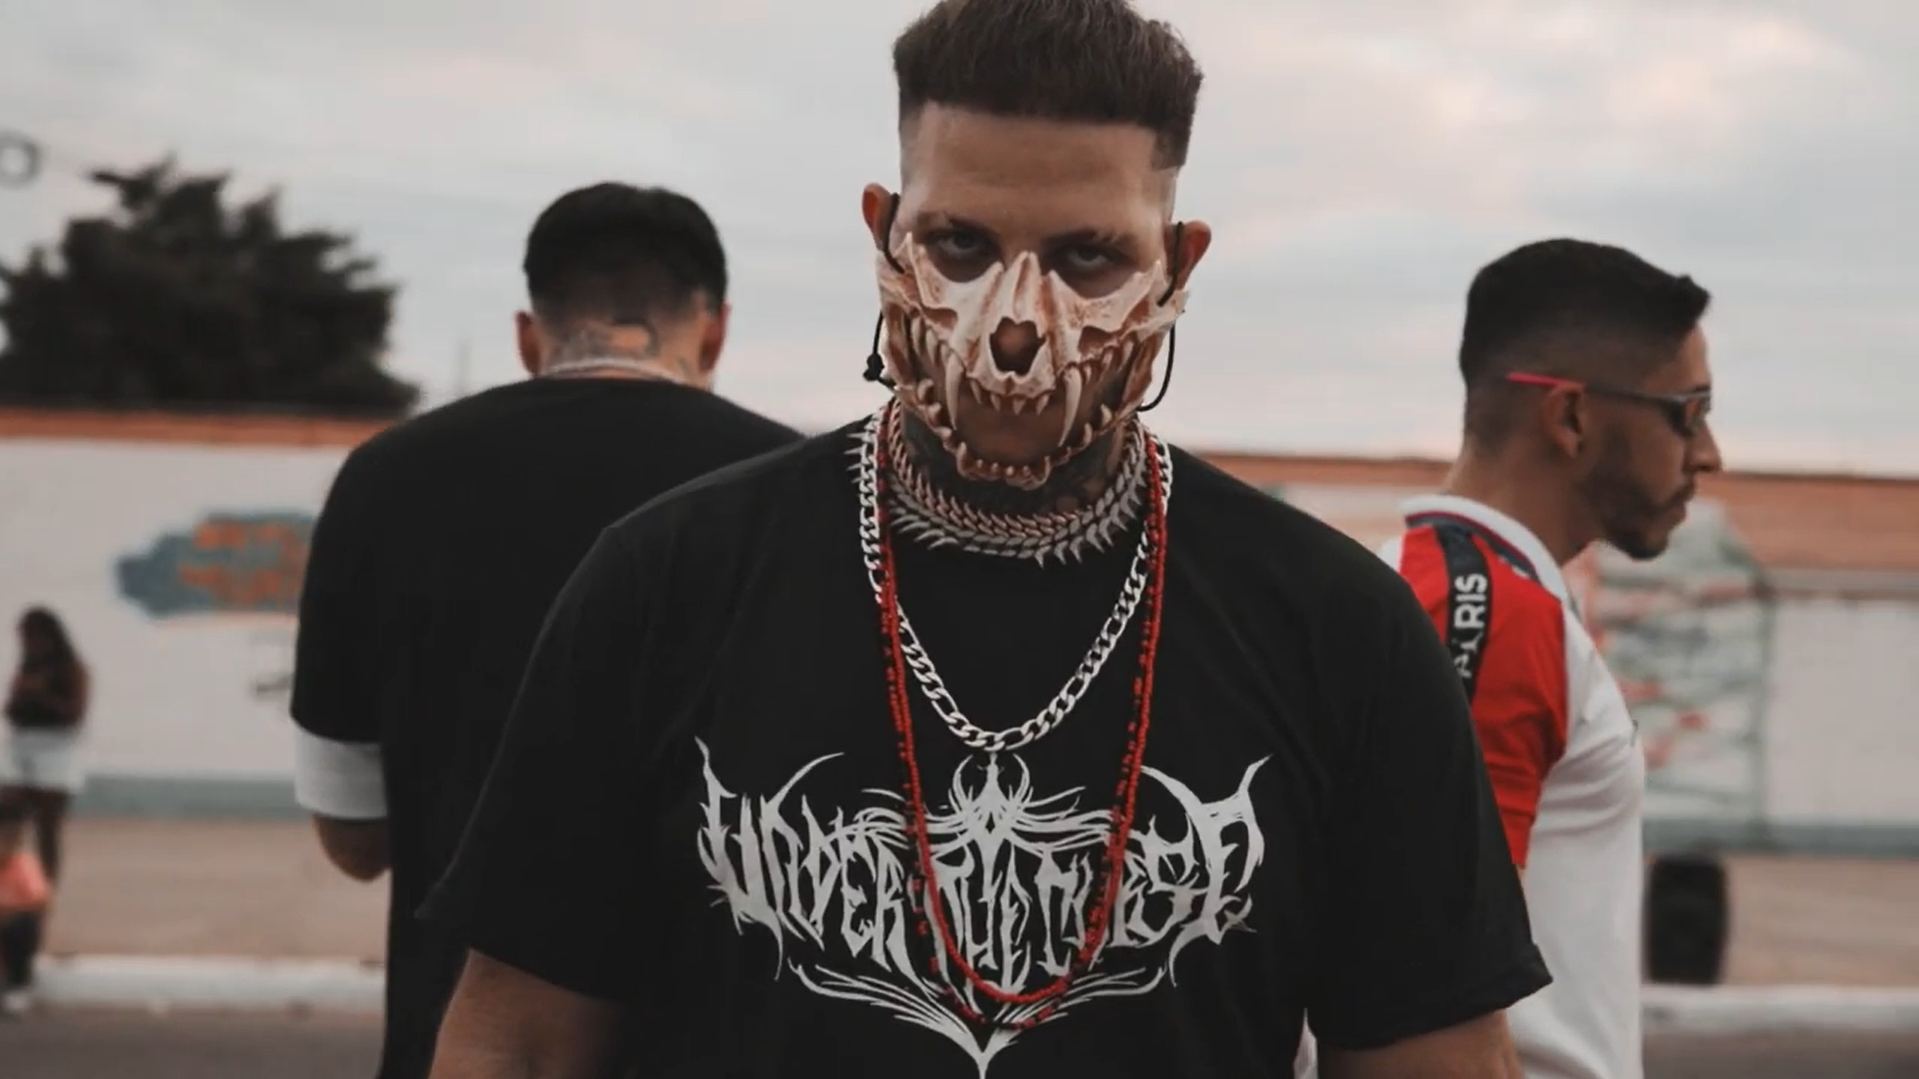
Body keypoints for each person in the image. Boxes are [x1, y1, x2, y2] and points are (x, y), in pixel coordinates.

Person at [423, 2, 1550, 1077]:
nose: (1013, 323)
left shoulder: (1335, 628)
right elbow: (520, 1042)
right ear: (884, 233)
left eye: (1086, 257)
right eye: (958, 244)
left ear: (1178, 264)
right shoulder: (667, 580)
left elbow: (1434, 1058)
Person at [289, 182, 800, 1079]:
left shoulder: (384, 480)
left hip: (461, 1040)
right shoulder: (792, 492)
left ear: (529, 336)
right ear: (714, 331)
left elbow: (352, 835)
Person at [1379, 239, 1723, 1079]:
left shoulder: (1452, 585)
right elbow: (1423, 973)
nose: (1708, 452)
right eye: (1687, 412)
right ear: (1569, 417)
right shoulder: (1486, 610)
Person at [3, 607, 90, 885]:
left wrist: (40, 694)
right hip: (23, 748)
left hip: (57, 752)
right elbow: (11, 712)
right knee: (7, 818)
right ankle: (9, 882)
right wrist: (21, 695)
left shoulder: (72, 670)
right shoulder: (27, 669)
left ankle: (45, 885)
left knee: (47, 828)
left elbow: (73, 715)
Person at [0, 796, 52, 1017]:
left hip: (9, 931)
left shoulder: (25, 866)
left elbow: (38, 901)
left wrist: (7, 912)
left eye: (12, 838)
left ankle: (17, 985)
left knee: (25, 923)